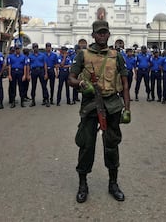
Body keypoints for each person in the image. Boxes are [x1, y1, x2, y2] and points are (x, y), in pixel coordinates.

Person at [68, 20, 130, 203]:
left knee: (112, 145)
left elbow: (125, 83)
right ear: (93, 35)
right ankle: (82, 184)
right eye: (99, 32)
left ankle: (113, 183)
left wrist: (128, 108)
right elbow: (70, 78)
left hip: (112, 105)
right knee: (86, 145)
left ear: (109, 35)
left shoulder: (116, 55)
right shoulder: (83, 55)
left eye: (105, 32)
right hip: (90, 105)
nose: (102, 35)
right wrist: (80, 83)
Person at [28, 43, 49, 107]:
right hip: (33, 71)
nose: (35, 48)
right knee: (33, 86)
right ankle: (33, 100)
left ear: (38, 48)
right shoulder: (30, 56)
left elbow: (45, 64)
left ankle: (46, 99)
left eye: (36, 47)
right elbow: (28, 65)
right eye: (34, 47)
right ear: (33, 48)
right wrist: (28, 74)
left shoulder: (42, 55)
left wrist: (46, 73)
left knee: (44, 86)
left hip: (41, 70)